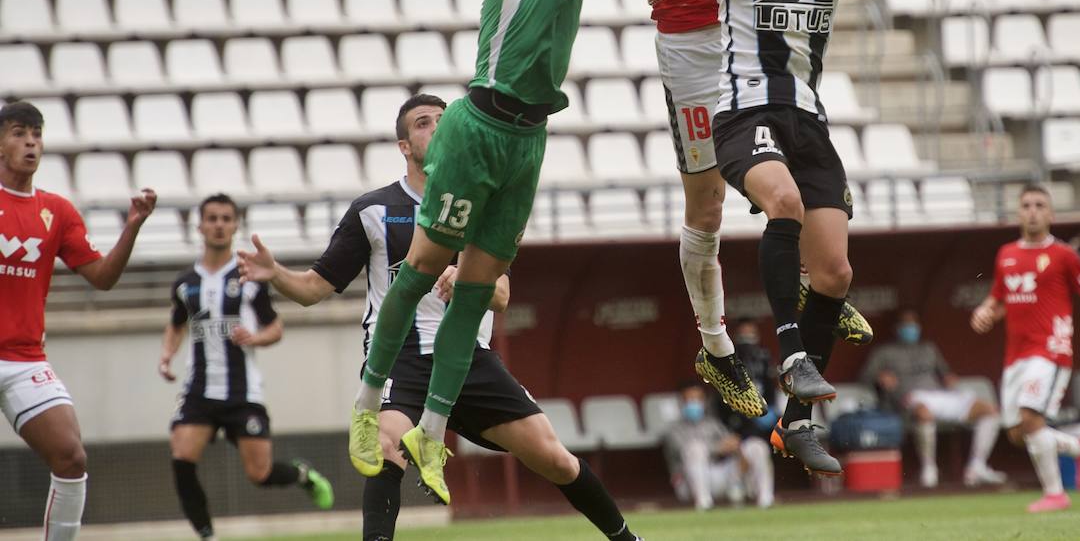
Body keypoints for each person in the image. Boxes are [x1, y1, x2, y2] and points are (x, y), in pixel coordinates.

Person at [343, 0, 708, 506]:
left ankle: (431, 435)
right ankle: (368, 402)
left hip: (530, 133)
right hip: (479, 122)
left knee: (473, 292)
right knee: (418, 273)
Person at [584, 0, 985, 476]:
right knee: (784, 204)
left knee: (834, 276)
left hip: (808, 121)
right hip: (744, 113)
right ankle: (791, 350)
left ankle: (797, 422)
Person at [237, 95, 643, 541]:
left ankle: (627, 539)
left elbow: (502, 296)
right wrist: (275, 273)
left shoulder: (478, 206)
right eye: (423, 123)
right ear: (404, 146)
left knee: (555, 458)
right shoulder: (373, 210)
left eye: (443, 121)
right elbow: (313, 290)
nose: (436, 128)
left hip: (468, 357)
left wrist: (468, 277)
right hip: (401, 357)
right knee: (387, 445)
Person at [630, 0, 874, 421]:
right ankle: (714, 345)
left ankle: (813, 275)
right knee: (706, 206)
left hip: (751, 43)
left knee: (804, 161)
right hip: (693, 50)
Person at [0, 100, 157, 540]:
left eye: (36, 133)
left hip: (25, 359)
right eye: (17, 132)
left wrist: (133, 226)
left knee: (71, 457)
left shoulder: (58, 212)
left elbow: (102, 278)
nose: (30, 142)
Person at [159, 194, 333, 540]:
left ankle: (302, 475)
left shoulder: (250, 278)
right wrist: (167, 355)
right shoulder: (184, 282)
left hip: (243, 391)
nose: (219, 225)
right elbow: (177, 324)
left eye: (226, 218)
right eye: (213, 218)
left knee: (260, 473)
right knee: (181, 455)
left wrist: (254, 338)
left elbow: (276, 328)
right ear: (201, 226)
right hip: (199, 390)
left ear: (236, 225)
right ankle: (207, 534)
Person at [969, 185, 1080, 513]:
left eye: (1039, 205)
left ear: (1051, 214)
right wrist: (985, 310)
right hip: (1015, 355)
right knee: (1018, 433)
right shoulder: (1006, 254)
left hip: (1050, 350)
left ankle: (1056, 493)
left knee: (1031, 420)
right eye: (1026, 205)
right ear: (1018, 212)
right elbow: (1000, 298)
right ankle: (1078, 447)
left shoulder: (1065, 256)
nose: (1032, 210)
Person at [860, 310, 1005, 488]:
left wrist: (950, 379)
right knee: (924, 413)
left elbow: (945, 373)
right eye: (906, 324)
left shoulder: (929, 348)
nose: (910, 329)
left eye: (913, 324)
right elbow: (865, 377)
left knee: (989, 410)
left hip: (938, 395)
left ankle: (977, 466)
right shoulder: (884, 352)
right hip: (909, 398)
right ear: (897, 328)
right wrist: (880, 377)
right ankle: (929, 468)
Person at [663, 382, 774, 511]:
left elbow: (731, 443)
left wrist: (738, 451)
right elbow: (683, 451)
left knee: (756, 446)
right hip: (689, 482)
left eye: (698, 399)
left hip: (721, 475)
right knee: (695, 448)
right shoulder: (674, 429)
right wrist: (718, 448)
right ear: (681, 403)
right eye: (689, 399)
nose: (694, 403)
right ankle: (703, 503)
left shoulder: (713, 423)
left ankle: (765, 499)